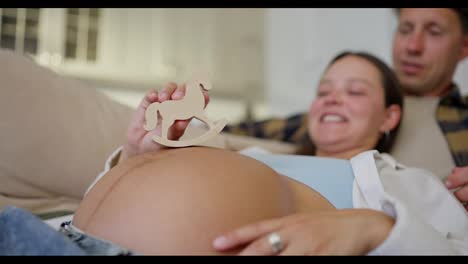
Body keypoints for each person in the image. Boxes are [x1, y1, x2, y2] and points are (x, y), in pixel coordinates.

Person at [64, 52, 467, 255]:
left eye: (355, 92)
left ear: (389, 117)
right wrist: (137, 157)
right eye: (323, 92)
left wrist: (375, 229)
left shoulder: (407, 183)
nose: (331, 101)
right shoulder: (251, 151)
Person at [224, 8, 468, 209]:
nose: (412, 46)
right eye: (405, 30)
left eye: (434, 32)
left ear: (464, 47)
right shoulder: (330, 118)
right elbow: (227, 132)